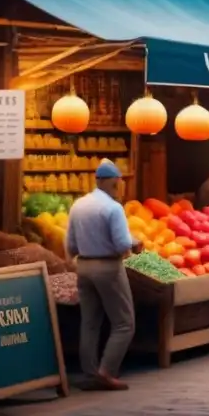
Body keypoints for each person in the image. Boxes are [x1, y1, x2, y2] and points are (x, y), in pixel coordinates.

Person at [65, 159, 141, 391]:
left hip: (84, 267)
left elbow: (70, 243)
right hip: (108, 268)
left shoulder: (78, 205)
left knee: (89, 322)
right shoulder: (113, 208)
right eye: (119, 183)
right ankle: (106, 371)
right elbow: (121, 245)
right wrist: (136, 243)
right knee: (124, 323)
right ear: (115, 183)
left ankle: (89, 373)